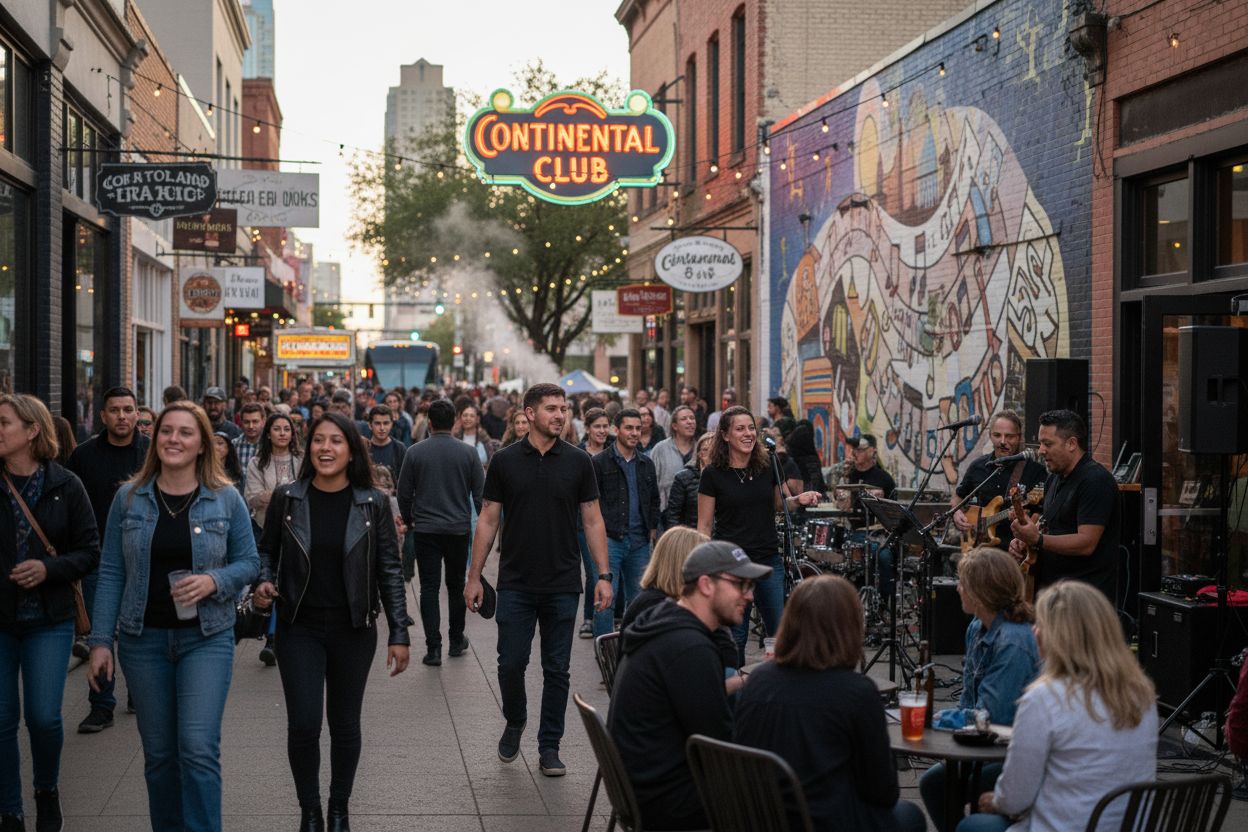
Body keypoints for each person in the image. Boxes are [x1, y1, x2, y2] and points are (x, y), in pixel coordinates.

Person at [87, 401, 258, 832]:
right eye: (166, 431)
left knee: (198, 749)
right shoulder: (129, 498)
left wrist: (214, 581)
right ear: (155, 439)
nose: (174, 440)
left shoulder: (226, 499)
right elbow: (110, 572)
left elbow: (250, 562)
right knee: (160, 755)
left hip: (207, 636)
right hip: (143, 641)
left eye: (185, 433)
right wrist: (101, 641)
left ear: (203, 444)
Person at [253, 411, 412, 832]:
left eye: (336, 441)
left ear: (351, 450)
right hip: (298, 626)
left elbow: (390, 570)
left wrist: (400, 632)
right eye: (319, 440)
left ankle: (339, 807)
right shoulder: (288, 497)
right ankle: (310, 811)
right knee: (304, 723)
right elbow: (266, 551)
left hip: (354, 629)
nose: (326, 448)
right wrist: (265, 581)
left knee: (344, 723)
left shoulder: (373, 502)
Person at [464, 383, 613, 778]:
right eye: (551, 409)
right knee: (510, 663)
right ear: (529, 413)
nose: (560, 415)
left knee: (557, 669)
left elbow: (593, 518)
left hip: (564, 583)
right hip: (515, 582)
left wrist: (603, 575)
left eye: (563, 409)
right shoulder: (505, 461)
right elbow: (488, 518)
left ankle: (550, 746)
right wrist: (474, 576)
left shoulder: (580, 462)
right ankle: (516, 719)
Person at [959, 581, 1158, 832]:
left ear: (1059, 636)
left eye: (1040, 625)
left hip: (1064, 825)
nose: (1035, 632)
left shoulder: (1044, 698)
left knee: (973, 825)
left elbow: (1016, 796)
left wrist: (998, 801)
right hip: (1126, 825)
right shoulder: (1141, 694)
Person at [734, 575, 926, 832]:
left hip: (761, 821)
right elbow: (883, 791)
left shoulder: (757, 682)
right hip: (826, 822)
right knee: (909, 815)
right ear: (849, 627)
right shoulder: (856, 693)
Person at [609, 540, 768, 830]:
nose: (750, 596)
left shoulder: (665, 622)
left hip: (643, 787)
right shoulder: (689, 648)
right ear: (706, 585)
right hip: (670, 801)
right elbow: (718, 746)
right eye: (741, 585)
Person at [0, 394, 99, 832]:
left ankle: (45, 790)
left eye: (3, 423)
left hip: (50, 618)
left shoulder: (65, 485)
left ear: (32, 431)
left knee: (43, 715)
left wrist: (47, 568)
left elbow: (89, 551)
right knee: (1, 719)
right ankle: (9, 810)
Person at [918, 547, 1041, 830]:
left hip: (1009, 750)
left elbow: (994, 719)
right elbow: (968, 698)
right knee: (934, 783)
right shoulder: (977, 628)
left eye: (963, 582)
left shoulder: (1013, 642)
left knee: (947, 785)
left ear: (979, 591)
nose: (958, 588)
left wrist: (936, 720)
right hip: (983, 743)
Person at [698, 406, 822, 661]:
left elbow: (779, 504)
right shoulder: (712, 474)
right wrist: (705, 568)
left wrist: (800, 498)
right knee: (736, 635)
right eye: (740, 429)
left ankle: (776, 691)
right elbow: (704, 525)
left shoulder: (768, 464)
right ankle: (735, 693)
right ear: (725, 435)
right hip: (731, 564)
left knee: (778, 633)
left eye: (751, 428)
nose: (748, 434)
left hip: (767, 560)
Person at [67, 386, 150, 734]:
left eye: (128, 410)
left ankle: (139, 693)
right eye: (114, 410)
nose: (122, 416)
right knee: (103, 629)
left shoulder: (151, 452)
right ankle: (101, 705)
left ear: (136, 414)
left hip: (145, 552)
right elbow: (72, 505)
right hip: (100, 555)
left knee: (140, 627)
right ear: (102, 415)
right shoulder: (84, 456)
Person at [397, 399, 483, 667]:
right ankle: (456, 640)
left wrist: (411, 519)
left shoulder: (415, 452)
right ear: (455, 420)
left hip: (426, 530)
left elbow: (403, 492)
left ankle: (433, 648)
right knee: (456, 587)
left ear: (430, 422)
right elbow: (480, 496)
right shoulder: (468, 454)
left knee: (429, 588)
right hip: (458, 530)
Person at [1009, 409, 1120, 601]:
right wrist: (1026, 541)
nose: (1041, 450)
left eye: (1048, 444)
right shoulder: (1054, 478)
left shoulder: (1095, 480)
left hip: (1083, 600)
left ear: (1071, 444)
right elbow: (1050, 526)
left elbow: (1087, 542)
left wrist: (1038, 540)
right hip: (1054, 593)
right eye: (1041, 443)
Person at [591, 409, 660, 637]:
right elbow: (592, 504)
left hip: (639, 541)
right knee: (605, 598)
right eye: (629, 428)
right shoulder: (600, 462)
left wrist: (651, 532)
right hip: (610, 539)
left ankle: (633, 648)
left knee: (640, 599)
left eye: (638, 428)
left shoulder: (646, 463)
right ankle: (604, 651)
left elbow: (653, 500)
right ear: (616, 429)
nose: (634, 433)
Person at [244, 412, 303, 667]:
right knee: (269, 580)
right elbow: (253, 497)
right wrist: (285, 493)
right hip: (265, 529)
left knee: (289, 581)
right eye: (276, 428)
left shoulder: (302, 460)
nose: (281, 433)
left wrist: (275, 494)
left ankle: (280, 636)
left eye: (286, 429)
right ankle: (271, 637)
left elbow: (308, 491)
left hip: (299, 532)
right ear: (268, 433)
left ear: (292, 434)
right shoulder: (257, 463)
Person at [951, 411, 1047, 552]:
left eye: (1009, 436)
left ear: (1019, 437)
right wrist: (956, 512)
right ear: (990, 436)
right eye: (997, 435)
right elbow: (958, 496)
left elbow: (1041, 512)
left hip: (1015, 551)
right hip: (979, 549)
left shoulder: (1035, 471)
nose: (1003, 441)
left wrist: (1023, 519)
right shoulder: (978, 466)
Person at [575, 408, 613, 639]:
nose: (602, 431)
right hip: (583, 523)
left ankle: (611, 613)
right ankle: (589, 617)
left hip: (610, 521)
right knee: (593, 572)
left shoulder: (613, 452)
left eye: (605, 426)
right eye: (597, 426)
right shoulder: (578, 454)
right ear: (587, 428)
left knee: (607, 571)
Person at [650, 405, 697, 518]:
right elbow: (651, 483)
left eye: (692, 418)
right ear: (675, 426)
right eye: (684, 419)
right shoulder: (660, 449)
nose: (690, 422)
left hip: (695, 516)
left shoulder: (701, 448)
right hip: (665, 514)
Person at [665, 433, 715, 529]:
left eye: (714, 450)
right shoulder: (683, 478)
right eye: (705, 450)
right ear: (699, 454)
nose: (710, 454)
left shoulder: (728, 476)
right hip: (691, 536)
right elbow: (673, 515)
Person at [365, 404, 406, 484]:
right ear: (370, 425)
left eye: (386, 423)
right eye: (377, 423)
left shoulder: (400, 449)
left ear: (392, 424)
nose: (382, 428)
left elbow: (406, 480)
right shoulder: (363, 448)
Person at [454, 404, 497, 468]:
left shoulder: (485, 440)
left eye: (472, 416)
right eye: (465, 415)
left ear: (477, 419)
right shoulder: (455, 439)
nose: (468, 418)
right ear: (460, 418)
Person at [232, 402, 266, 478]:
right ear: (241, 422)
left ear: (263, 422)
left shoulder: (270, 444)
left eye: (255, 422)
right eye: (246, 422)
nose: (251, 426)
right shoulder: (233, 445)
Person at [211, 432, 246, 497]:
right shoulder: (203, 472)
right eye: (212, 444)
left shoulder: (237, 474)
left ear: (228, 448)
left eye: (220, 443)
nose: (215, 447)